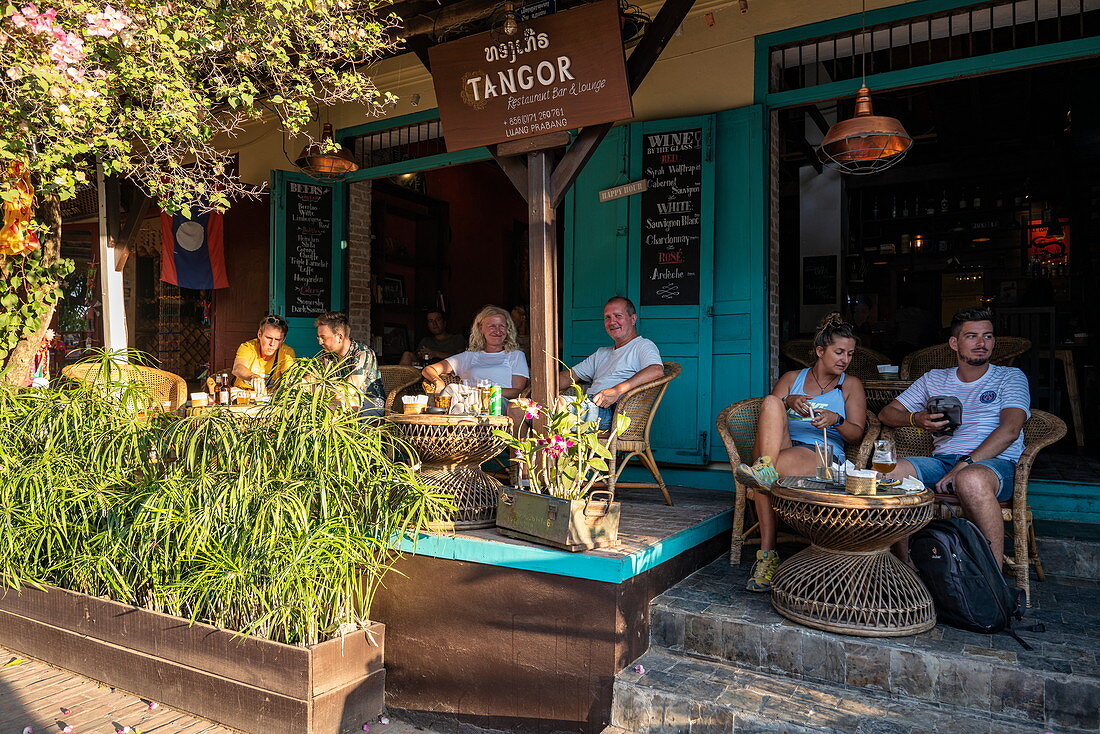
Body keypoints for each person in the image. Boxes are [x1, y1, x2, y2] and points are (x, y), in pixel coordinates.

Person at [878, 307, 1029, 565]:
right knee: (886, 474)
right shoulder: (934, 379)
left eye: (988, 336)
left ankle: (992, 578)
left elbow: (1011, 430)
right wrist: (916, 419)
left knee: (970, 479)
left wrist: (965, 464)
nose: (982, 343)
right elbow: (887, 414)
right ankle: (906, 569)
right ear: (954, 342)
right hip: (942, 462)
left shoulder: (1009, 377)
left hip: (993, 464)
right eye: (972, 336)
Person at [734, 313, 868, 592]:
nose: (845, 359)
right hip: (782, 447)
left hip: (821, 453)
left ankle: (767, 555)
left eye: (850, 354)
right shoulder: (792, 378)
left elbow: (857, 432)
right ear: (820, 351)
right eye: (839, 352)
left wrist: (837, 420)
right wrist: (788, 401)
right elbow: (770, 415)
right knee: (772, 402)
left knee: (762, 474)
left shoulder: (851, 385)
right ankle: (766, 469)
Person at [557, 297, 664, 430]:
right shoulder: (602, 353)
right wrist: (542, 387)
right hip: (588, 404)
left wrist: (617, 390)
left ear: (633, 319)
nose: (612, 322)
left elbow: (656, 371)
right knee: (525, 407)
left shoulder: (642, 345)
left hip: (611, 413)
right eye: (607, 317)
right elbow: (570, 376)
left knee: (554, 406)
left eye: (618, 316)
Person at [422, 305, 529, 398]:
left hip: (498, 403)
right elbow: (429, 369)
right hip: (468, 402)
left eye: (502, 326)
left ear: (508, 329)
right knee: (452, 393)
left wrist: (482, 391)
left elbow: (517, 392)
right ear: (480, 328)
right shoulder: (469, 356)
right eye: (492, 326)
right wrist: (438, 381)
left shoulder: (516, 355)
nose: (497, 331)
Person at [315, 311, 385, 416]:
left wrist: (320, 391)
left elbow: (348, 390)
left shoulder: (363, 353)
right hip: (338, 400)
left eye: (323, 338)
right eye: (318, 337)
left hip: (371, 403)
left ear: (340, 337)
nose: (320, 342)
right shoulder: (327, 355)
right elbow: (312, 379)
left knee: (334, 406)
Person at [231, 314, 297, 390]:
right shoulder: (248, 347)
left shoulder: (286, 352)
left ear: (284, 339)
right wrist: (253, 377)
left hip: (269, 398)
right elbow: (237, 368)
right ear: (259, 334)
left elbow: (290, 377)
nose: (272, 343)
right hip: (243, 394)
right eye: (269, 338)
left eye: (278, 339)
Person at [400, 310, 466, 366]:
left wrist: (435, 354)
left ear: (444, 323)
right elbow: (417, 359)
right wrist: (421, 355)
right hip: (425, 372)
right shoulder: (426, 341)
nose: (434, 324)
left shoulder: (457, 338)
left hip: (447, 372)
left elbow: (462, 358)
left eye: (438, 320)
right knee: (407, 354)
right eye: (430, 321)